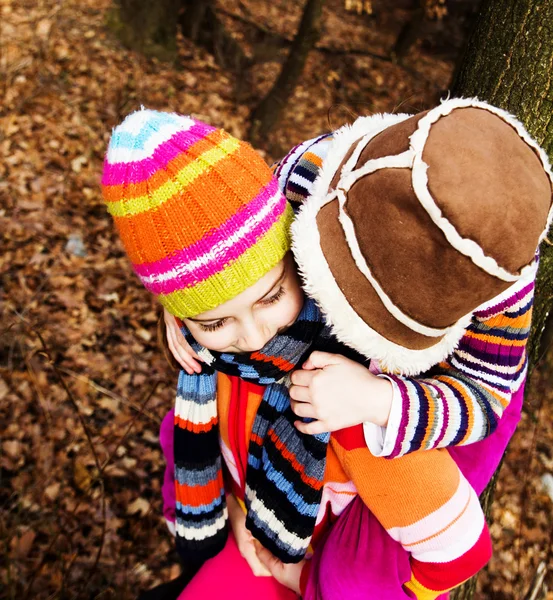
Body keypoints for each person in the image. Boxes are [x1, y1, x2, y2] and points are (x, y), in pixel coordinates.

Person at [100, 103, 552, 599]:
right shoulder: (307, 175)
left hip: (463, 399)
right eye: (216, 321)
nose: (253, 339)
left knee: (355, 578)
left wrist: (378, 400)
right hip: (277, 493)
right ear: (311, 235)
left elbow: (485, 402)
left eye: (272, 296)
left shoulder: (500, 292)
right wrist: (182, 306)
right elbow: (220, 235)